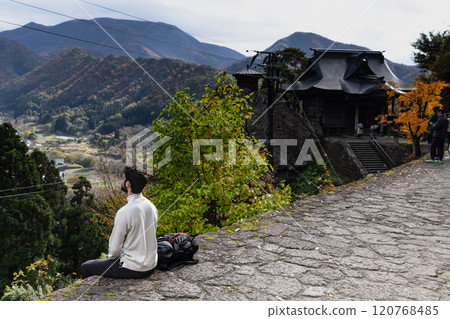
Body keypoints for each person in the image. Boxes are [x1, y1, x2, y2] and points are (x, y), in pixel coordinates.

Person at [80, 166, 158, 279]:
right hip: (151, 264)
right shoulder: (151, 206)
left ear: (128, 184)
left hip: (133, 268)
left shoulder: (124, 212)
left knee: (86, 267)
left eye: (123, 179)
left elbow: (114, 252)